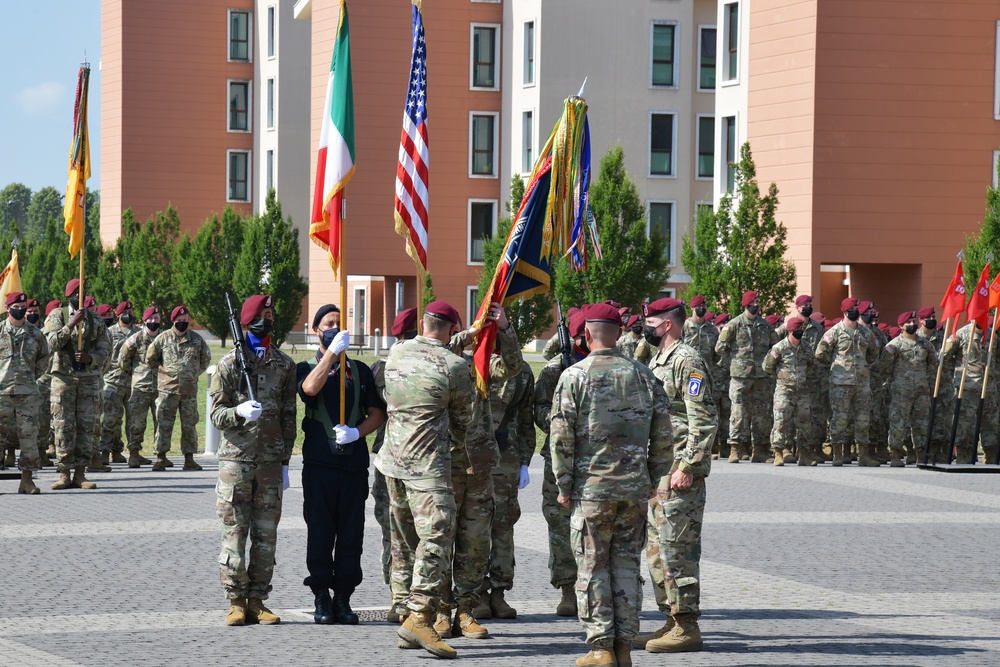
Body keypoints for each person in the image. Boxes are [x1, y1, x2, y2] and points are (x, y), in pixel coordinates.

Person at [550, 302, 674, 667]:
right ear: (620, 333)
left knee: (592, 566)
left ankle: (601, 647)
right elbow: (663, 434)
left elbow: (560, 438)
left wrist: (564, 484)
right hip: (633, 490)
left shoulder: (574, 376)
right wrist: (654, 477)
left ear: (586, 334)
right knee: (625, 566)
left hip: (592, 491)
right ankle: (623, 646)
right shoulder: (644, 376)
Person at [374, 300, 472, 660]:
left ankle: (402, 610)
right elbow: (464, 418)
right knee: (437, 538)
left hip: (391, 463)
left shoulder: (398, 352)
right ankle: (419, 616)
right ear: (451, 328)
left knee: (403, 542)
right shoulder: (455, 366)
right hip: (427, 467)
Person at [635, 298, 717, 654]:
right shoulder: (657, 358)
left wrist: (689, 467)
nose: (645, 327)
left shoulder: (687, 361)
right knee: (657, 551)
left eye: (650, 322)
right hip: (658, 472)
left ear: (667, 324)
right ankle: (670, 619)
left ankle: (687, 625)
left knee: (677, 549)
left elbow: (704, 419)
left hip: (678, 473)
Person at [210, 295, 297, 626]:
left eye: (272, 315)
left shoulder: (284, 364)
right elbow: (217, 412)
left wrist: (287, 462)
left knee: (266, 534)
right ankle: (235, 600)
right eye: (263, 315)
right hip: (237, 460)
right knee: (235, 531)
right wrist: (238, 412)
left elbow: (289, 416)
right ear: (247, 321)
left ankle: (258, 599)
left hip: (271, 461)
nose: (269, 320)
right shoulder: (231, 363)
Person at [436, 302, 521, 641]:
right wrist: (467, 335)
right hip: (445, 464)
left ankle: (467, 610)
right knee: (442, 540)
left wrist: (504, 330)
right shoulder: (440, 364)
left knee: (474, 543)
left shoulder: (481, 366)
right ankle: (441, 610)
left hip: (480, 466)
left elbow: (513, 365)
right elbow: (439, 348)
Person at [298, 303, 386, 625]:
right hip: (319, 466)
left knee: (352, 536)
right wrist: (332, 355)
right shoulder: (307, 366)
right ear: (316, 330)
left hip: (352, 467)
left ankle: (344, 597)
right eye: (328, 323)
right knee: (321, 533)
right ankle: (321, 596)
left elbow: (377, 413)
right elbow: (309, 389)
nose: (335, 326)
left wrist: (356, 433)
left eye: (339, 322)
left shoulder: (360, 371)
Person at [533, 310, 589, 617]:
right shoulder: (555, 369)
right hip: (558, 456)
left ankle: (597, 585)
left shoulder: (604, 364)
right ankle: (568, 588)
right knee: (559, 524)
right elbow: (538, 408)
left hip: (597, 456)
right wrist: (560, 423)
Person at [477, 334, 535, 620]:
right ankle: (476, 592)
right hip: (473, 456)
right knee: (474, 526)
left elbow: (525, 418)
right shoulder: (471, 364)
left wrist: (525, 461)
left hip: (506, 456)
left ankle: (499, 592)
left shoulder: (522, 371)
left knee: (503, 524)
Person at [371, 307, 418, 622]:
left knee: (408, 533)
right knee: (394, 532)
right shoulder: (384, 369)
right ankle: (399, 596)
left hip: (417, 461)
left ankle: (410, 597)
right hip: (390, 461)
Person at [43, 278, 111, 490]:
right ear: (69, 296)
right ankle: (64, 473)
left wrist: (90, 358)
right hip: (63, 378)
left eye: (83, 293)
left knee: (86, 425)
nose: (80, 298)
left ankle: (81, 473)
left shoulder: (96, 321)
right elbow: (51, 343)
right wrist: (71, 324)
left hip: (88, 380)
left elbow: (105, 349)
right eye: (76, 294)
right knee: (63, 426)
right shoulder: (57, 316)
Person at [145, 305, 211, 471]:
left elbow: (205, 359)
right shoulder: (163, 338)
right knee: (164, 424)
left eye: (185, 320)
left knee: (189, 425)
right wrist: (164, 373)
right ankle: (161, 458)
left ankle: (189, 459)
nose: (183, 322)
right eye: (180, 320)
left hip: (189, 392)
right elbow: (150, 359)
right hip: (168, 391)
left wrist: (194, 373)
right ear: (173, 321)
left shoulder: (197, 339)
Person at [815, 298, 880, 467]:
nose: (857, 310)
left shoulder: (865, 333)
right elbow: (820, 353)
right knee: (840, 419)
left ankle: (863, 455)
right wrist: (836, 365)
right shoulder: (834, 332)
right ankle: (837, 454)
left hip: (862, 383)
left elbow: (874, 353)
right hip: (840, 383)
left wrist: (863, 366)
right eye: (853, 308)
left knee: (863, 419)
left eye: (857, 308)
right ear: (845, 312)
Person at [715, 290, 778, 463]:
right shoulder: (734, 324)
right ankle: (735, 449)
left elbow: (775, 346)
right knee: (738, 413)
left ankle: (760, 450)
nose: (756, 305)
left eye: (758, 301)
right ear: (746, 304)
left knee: (762, 414)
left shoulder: (765, 325)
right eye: (753, 302)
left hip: (760, 376)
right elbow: (720, 348)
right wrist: (735, 360)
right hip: (740, 376)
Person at [0, 292, 50, 494]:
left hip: (27, 393)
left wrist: (30, 379)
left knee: (29, 436)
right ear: (7, 306)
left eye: (23, 306)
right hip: (2, 392)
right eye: (16, 306)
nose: (20, 309)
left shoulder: (35, 333)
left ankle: (27, 480)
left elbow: (43, 359)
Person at [876, 311, 937, 466]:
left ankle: (921, 454)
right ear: (901, 326)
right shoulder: (893, 346)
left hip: (921, 391)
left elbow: (932, 365)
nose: (911, 324)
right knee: (898, 422)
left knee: (921, 423)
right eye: (907, 323)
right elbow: (884, 368)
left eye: (912, 321)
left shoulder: (926, 344)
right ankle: (895, 454)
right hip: (901, 392)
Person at [941, 316, 997, 464]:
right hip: (967, 388)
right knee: (964, 424)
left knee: (991, 424)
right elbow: (945, 357)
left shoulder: (992, 336)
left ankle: (992, 456)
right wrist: (956, 375)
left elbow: (996, 361)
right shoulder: (960, 334)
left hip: (989, 388)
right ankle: (963, 457)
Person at [762, 317, 814, 466]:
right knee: (781, 421)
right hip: (784, 390)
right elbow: (767, 367)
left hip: (802, 391)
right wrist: (780, 377)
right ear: (790, 331)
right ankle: (778, 453)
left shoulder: (806, 347)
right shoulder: (779, 348)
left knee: (805, 422)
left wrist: (801, 377)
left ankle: (804, 455)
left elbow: (811, 364)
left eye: (801, 329)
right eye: (797, 330)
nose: (800, 332)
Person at [99, 301, 140, 466]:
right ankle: (105, 451)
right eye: (125, 311)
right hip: (113, 381)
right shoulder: (109, 332)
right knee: (111, 419)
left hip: (133, 382)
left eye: (131, 310)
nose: (128, 313)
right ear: (118, 314)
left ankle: (132, 453)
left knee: (134, 420)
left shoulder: (139, 332)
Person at [119, 307, 161, 467]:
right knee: (136, 424)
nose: (153, 321)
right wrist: (136, 374)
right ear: (144, 320)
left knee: (162, 423)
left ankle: (161, 456)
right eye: (150, 318)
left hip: (161, 388)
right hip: (140, 389)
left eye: (156, 318)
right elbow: (123, 360)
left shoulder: (164, 337)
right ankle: (134, 455)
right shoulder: (135, 339)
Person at [683, 296, 722, 458]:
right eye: (699, 306)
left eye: (704, 305)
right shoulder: (684, 327)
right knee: (688, 410)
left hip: (707, 375)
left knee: (706, 411)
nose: (702, 308)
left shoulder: (711, 329)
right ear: (692, 308)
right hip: (688, 375)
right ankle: (686, 445)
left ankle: (708, 447)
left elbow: (717, 354)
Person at [36, 299, 61, 466]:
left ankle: (58, 452)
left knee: (59, 421)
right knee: (43, 421)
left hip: (60, 380)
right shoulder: (41, 334)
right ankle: (40, 452)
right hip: (44, 382)